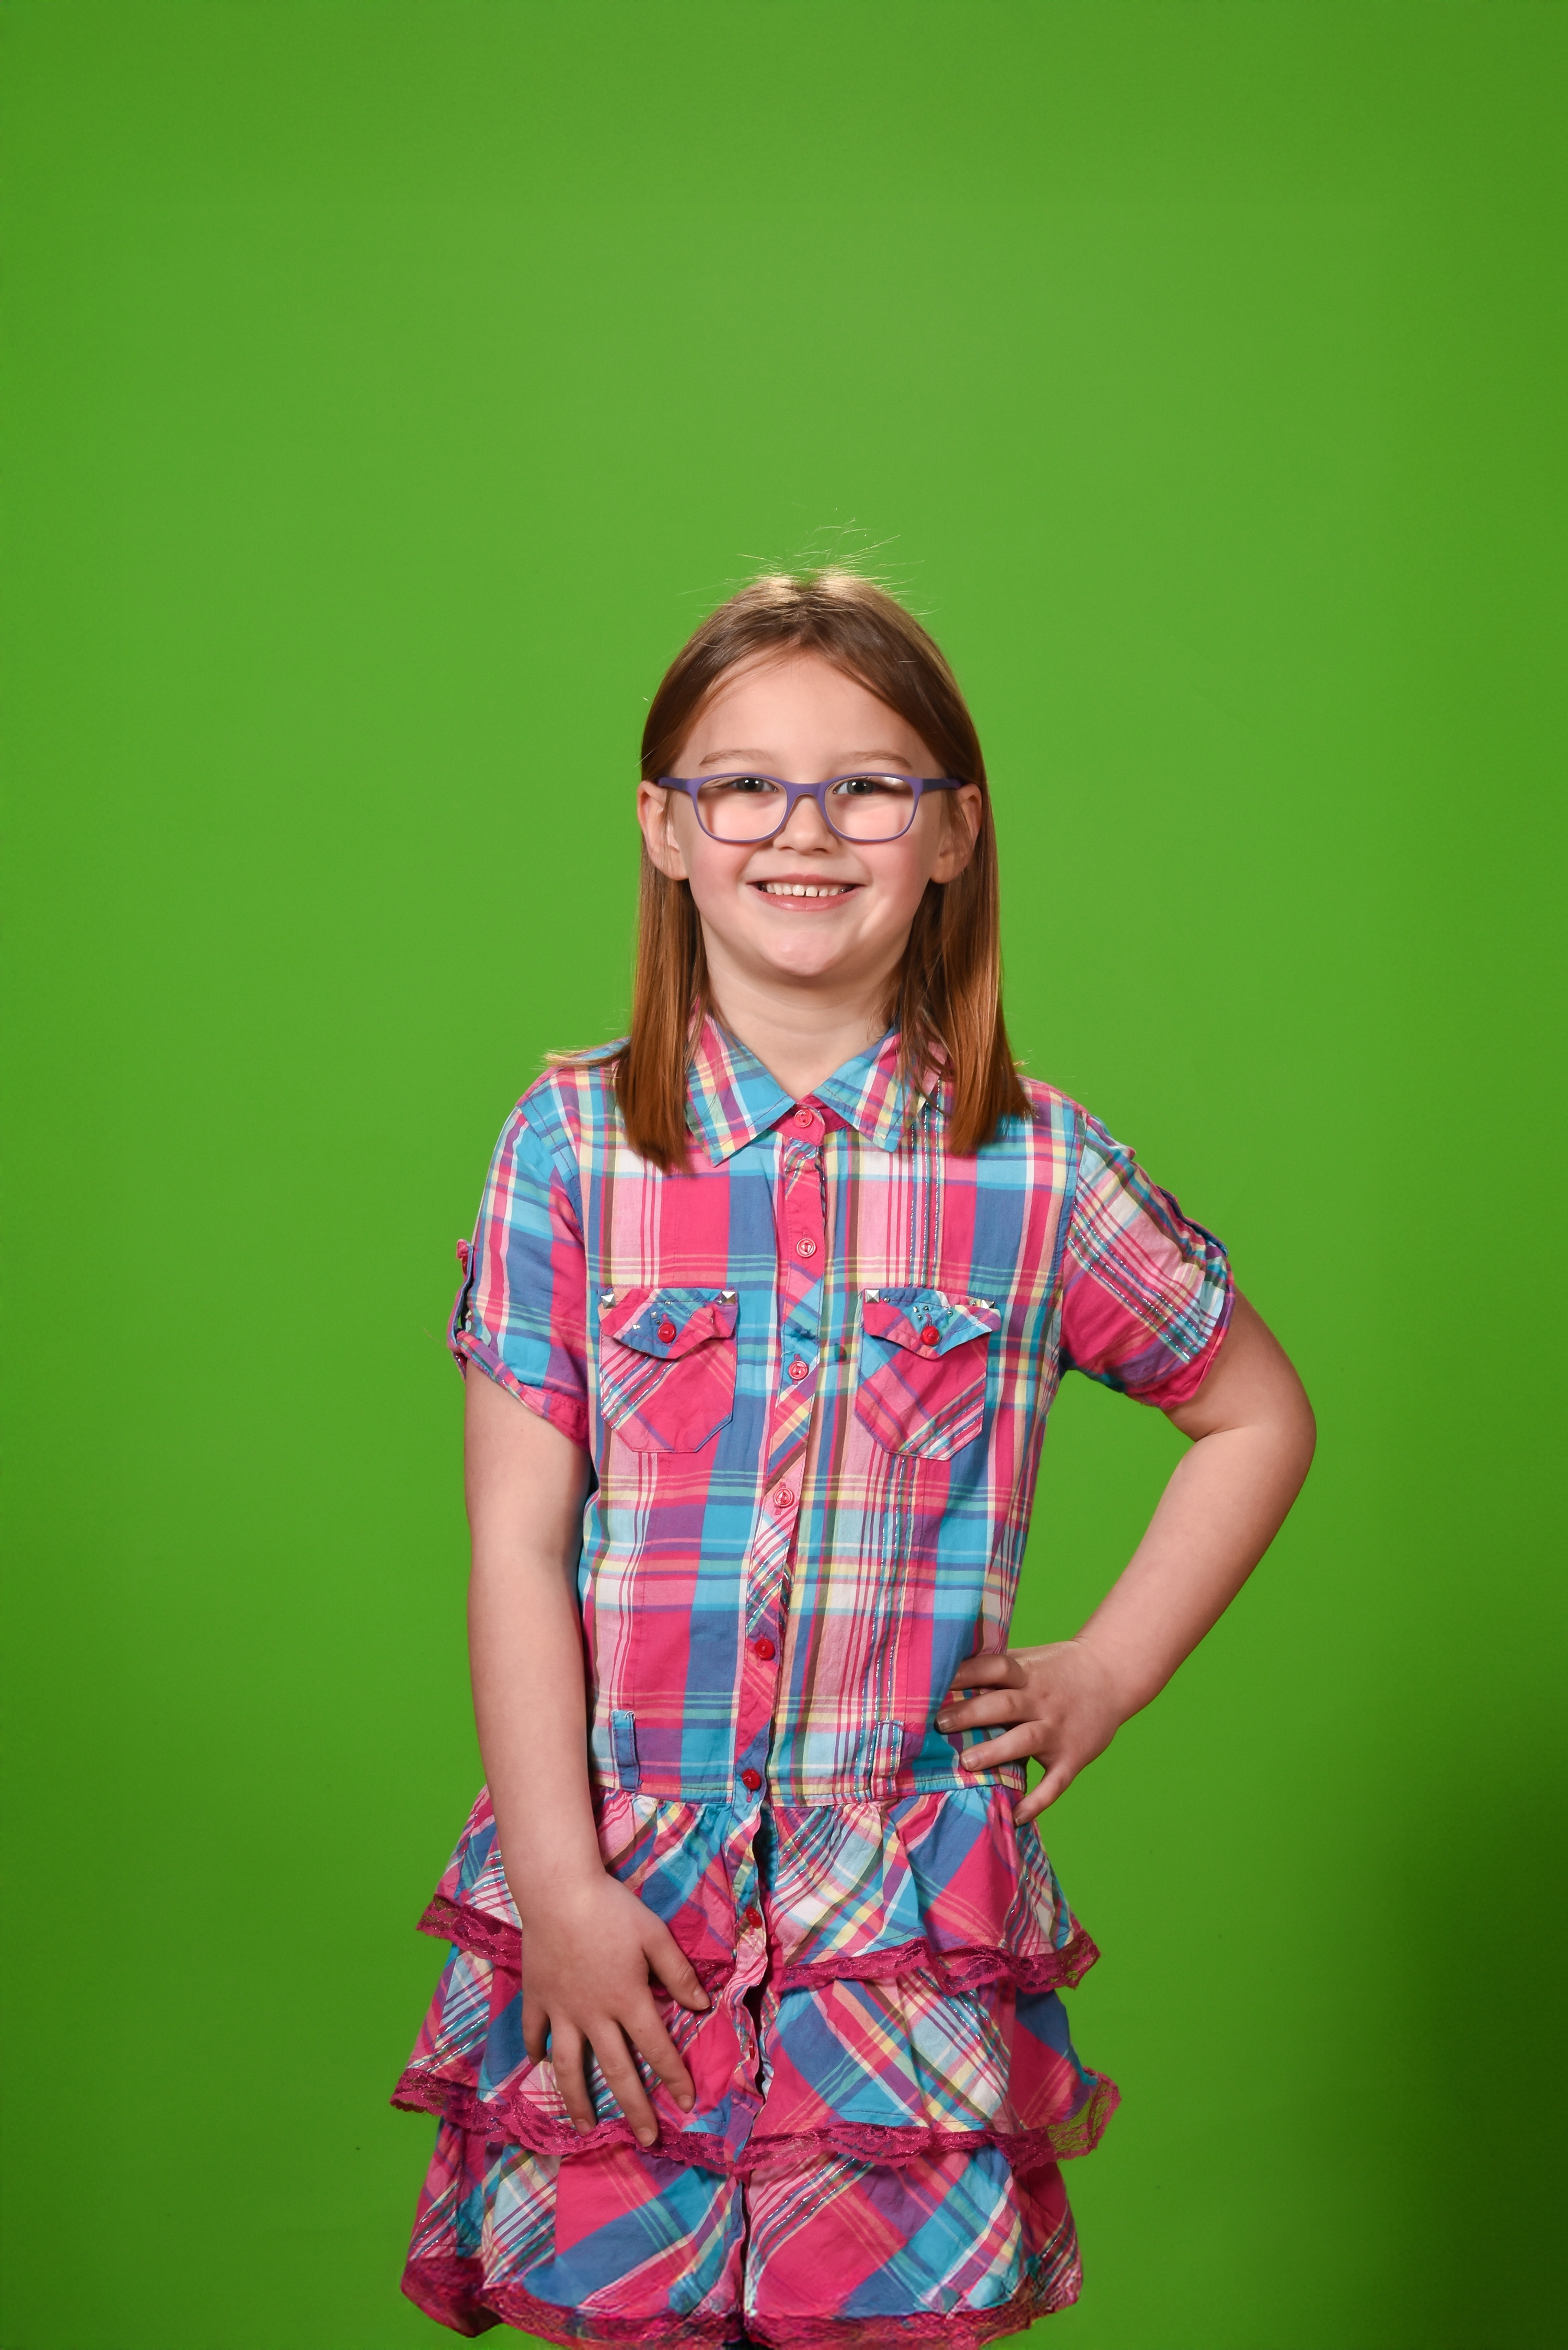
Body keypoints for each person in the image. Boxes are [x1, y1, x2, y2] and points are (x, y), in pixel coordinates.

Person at [392, 570, 1315, 2346]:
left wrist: (1108, 1670)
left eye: (869, 786)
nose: (804, 830)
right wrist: (562, 1887)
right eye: (745, 784)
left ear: (954, 832)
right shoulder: (570, 1147)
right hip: (625, 1903)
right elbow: (515, 1545)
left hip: (901, 1923)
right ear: (665, 828)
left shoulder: (1041, 1172)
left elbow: (1255, 1414)